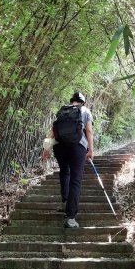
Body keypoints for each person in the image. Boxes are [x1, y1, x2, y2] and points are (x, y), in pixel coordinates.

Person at [42, 92, 93, 228]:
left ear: (72, 101)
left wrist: (46, 148)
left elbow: (53, 130)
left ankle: (65, 201)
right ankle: (70, 217)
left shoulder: (63, 110)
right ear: (83, 102)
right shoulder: (85, 111)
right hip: (78, 146)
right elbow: (88, 131)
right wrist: (91, 150)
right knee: (75, 179)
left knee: (65, 172)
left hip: (59, 147)